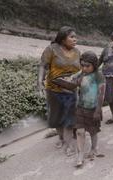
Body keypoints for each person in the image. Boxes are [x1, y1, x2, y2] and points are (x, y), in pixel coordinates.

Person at [37, 26, 80, 156]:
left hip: (71, 90)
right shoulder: (51, 49)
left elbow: (81, 69)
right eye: (72, 37)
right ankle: (61, 138)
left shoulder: (77, 52)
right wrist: (39, 82)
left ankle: (68, 143)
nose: (75, 39)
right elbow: (43, 66)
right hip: (54, 89)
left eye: (75, 37)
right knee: (56, 116)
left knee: (69, 117)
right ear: (62, 39)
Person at [68, 51, 106, 167]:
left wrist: (98, 110)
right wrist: (75, 77)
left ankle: (94, 148)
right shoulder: (82, 73)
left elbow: (101, 94)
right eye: (82, 65)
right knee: (79, 131)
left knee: (93, 131)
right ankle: (80, 155)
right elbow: (73, 80)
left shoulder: (98, 76)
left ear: (94, 65)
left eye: (87, 66)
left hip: (93, 108)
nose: (84, 68)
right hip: (81, 107)